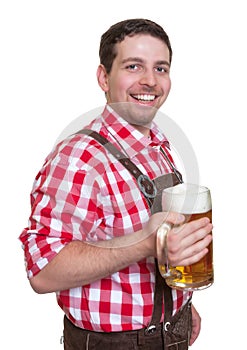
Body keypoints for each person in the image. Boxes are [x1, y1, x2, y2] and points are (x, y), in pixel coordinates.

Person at [19, 18, 213, 349]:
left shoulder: (158, 145)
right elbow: (43, 271)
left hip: (170, 333)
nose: (150, 81)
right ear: (103, 77)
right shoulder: (78, 157)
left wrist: (179, 309)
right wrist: (144, 243)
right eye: (134, 66)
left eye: (161, 69)